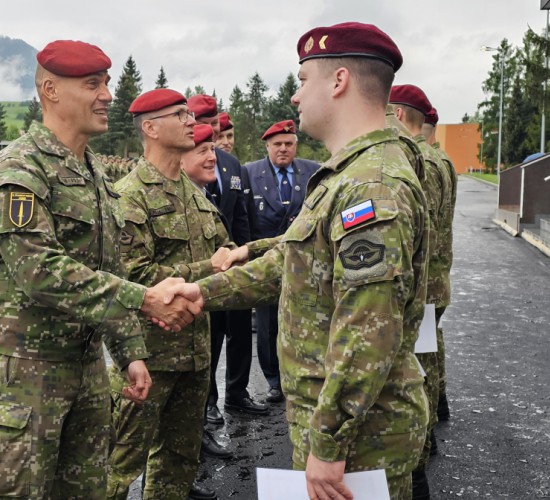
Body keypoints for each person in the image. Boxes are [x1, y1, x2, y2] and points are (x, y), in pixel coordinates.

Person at [164, 22, 431, 500]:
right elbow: (293, 260)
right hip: (340, 423)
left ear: (339, 81)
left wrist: (328, 444)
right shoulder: (351, 173)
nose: (295, 94)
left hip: (357, 437)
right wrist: (201, 292)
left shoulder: (371, 184)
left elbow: (367, 331)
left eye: (303, 79)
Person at [0, 40, 200, 499]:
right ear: (50, 90)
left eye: (107, 83)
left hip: (87, 370)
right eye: (92, 84)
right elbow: (38, 268)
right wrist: (144, 298)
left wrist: (129, 350)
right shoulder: (17, 168)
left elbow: (105, 268)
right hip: (29, 374)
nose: (107, 95)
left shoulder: (94, 173)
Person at [107, 91, 244, 500]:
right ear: (150, 128)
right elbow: (133, 278)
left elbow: (226, 252)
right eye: (180, 114)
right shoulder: (129, 195)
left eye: (189, 113)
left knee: (177, 464)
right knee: (118, 466)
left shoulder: (193, 192)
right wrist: (208, 269)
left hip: (194, 355)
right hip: (147, 360)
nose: (191, 121)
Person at [389, 84, 453, 500]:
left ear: (397, 115)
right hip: (435, 281)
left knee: (417, 366)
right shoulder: (439, 158)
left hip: (422, 284)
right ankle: (427, 434)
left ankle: (420, 450)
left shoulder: (418, 162)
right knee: (426, 357)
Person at [186, 94, 263, 425]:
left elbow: (241, 214)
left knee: (241, 331)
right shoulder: (187, 162)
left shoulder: (232, 164)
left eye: (217, 124)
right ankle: (208, 402)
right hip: (206, 268)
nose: (216, 131)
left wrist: (244, 255)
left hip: (235, 261)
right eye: (208, 124)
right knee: (212, 335)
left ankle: (237, 392)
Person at [244, 119, 320, 404]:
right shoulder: (250, 173)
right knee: (267, 326)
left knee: (306, 321)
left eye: (289, 143)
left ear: (296, 145)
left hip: (306, 261)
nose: (283, 149)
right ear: (267, 146)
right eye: (277, 144)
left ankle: (304, 375)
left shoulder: (312, 171)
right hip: (267, 261)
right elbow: (246, 217)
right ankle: (274, 380)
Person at [423, 108, 456, 424]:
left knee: (422, 356)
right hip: (437, 275)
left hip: (427, 279)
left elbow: (426, 227)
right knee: (432, 343)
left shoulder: (428, 164)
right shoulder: (441, 159)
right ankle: (439, 402)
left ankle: (428, 421)